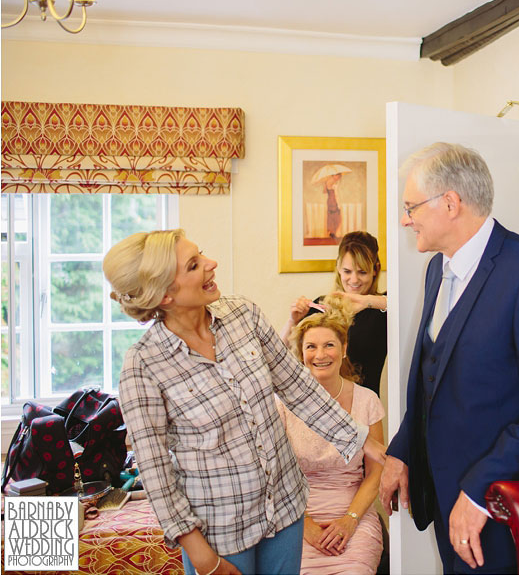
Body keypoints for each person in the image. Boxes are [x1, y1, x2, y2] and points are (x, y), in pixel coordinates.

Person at [103, 229, 384, 576]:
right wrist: (203, 558)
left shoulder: (243, 316)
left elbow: (297, 386)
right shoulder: (143, 365)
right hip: (219, 531)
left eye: (201, 253)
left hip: (284, 512)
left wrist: (365, 443)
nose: (211, 263)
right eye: (194, 265)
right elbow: (155, 469)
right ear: (165, 295)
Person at [378, 142, 519, 574]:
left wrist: (478, 491)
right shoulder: (438, 269)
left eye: (410, 206)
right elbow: (433, 375)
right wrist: (402, 450)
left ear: (450, 203)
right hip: (448, 496)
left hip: (512, 508)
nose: (405, 219)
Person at [276, 296, 384, 574]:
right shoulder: (282, 404)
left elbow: (376, 471)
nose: (320, 354)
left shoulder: (367, 400)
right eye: (311, 346)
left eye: (329, 345)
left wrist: (349, 520)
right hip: (295, 521)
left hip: (354, 519)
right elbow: (271, 475)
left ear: (344, 349)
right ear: (301, 353)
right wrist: (305, 526)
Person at [280, 231, 387, 396]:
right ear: (338, 268)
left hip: (363, 407)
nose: (354, 280)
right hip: (320, 406)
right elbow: (278, 354)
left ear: (375, 269)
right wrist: (292, 321)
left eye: (362, 272)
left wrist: (367, 301)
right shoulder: (321, 307)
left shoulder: (384, 310)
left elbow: (407, 304)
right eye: (347, 271)